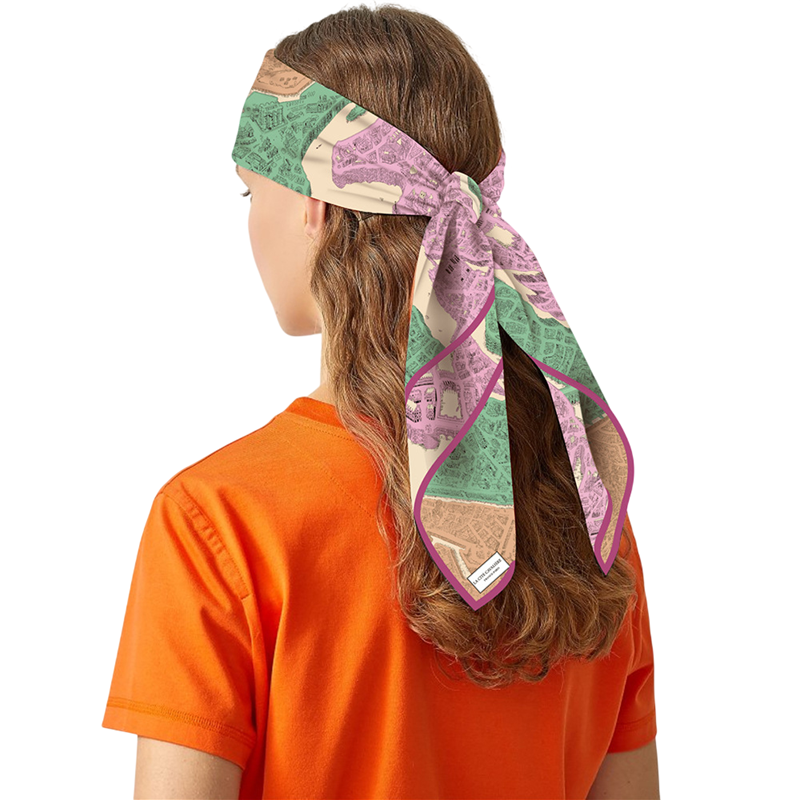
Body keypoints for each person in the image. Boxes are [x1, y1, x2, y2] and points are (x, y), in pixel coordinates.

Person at [102, 5, 659, 799]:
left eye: (249, 192)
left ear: (316, 207)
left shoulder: (218, 520)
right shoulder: (589, 510)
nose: (250, 221)